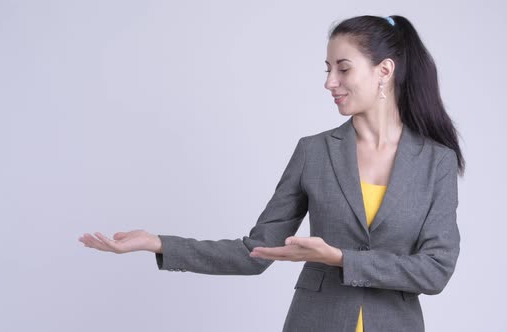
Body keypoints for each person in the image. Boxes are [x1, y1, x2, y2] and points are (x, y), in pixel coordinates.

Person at [79, 14, 465, 332]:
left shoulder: (436, 162)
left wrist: (340, 258)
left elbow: (435, 271)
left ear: (384, 71)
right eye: (328, 68)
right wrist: (159, 243)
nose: (329, 82)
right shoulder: (313, 152)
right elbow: (256, 252)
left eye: (343, 68)